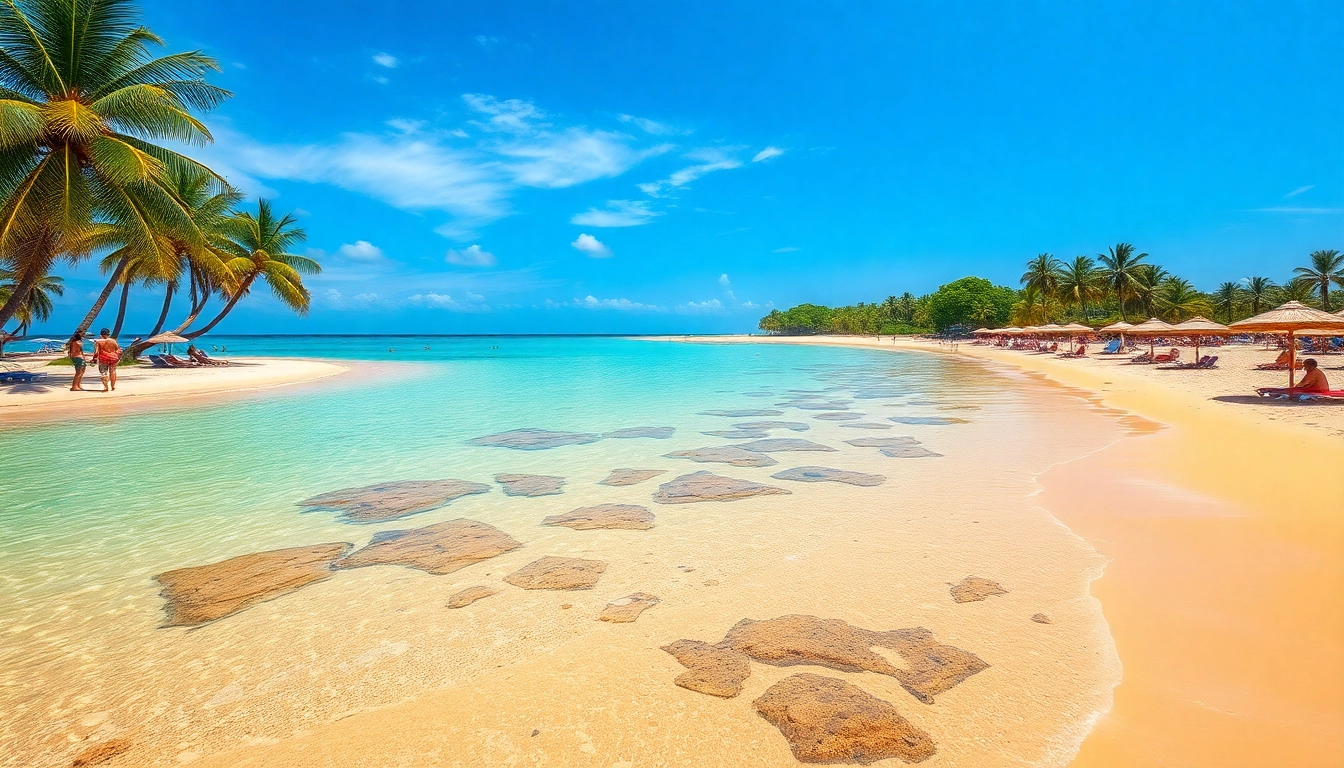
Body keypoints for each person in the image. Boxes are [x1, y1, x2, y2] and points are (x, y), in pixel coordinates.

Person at [92, 328, 122, 392]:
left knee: (103, 372)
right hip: (113, 358)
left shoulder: (98, 341)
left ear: (101, 334)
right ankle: (113, 386)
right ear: (108, 334)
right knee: (113, 371)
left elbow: (96, 352)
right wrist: (117, 357)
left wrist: (94, 358)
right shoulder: (113, 341)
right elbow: (118, 349)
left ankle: (106, 387)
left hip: (103, 359)